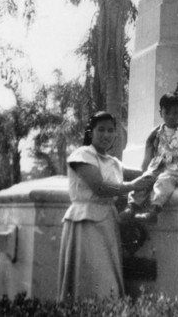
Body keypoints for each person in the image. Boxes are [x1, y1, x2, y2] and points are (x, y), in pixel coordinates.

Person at [57, 111, 147, 302]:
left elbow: (143, 175)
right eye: (101, 130)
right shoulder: (82, 155)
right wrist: (132, 186)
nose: (106, 135)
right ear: (91, 132)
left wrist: (159, 164)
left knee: (107, 279)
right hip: (85, 222)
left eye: (111, 131)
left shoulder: (114, 162)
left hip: (107, 222)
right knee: (92, 279)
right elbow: (100, 187)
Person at [121, 92, 178, 224]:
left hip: (176, 170)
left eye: (175, 112)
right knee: (145, 180)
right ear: (161, 113)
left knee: (163, 181)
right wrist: (145, 169)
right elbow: (150, 150)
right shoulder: (157, 131)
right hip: (157, 166)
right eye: (167, 112)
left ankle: (153, 211)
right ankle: (132, 207)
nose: (170, 116)